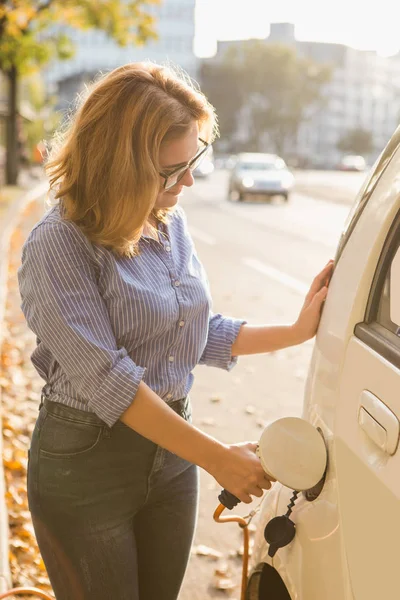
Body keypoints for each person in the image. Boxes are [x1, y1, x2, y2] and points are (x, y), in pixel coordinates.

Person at [18, 62, 334, 600]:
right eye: (172, 170)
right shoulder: (58, 244)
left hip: (169, 454)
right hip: (86, 463)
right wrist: (215, 456)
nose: (188, 182)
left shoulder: (167, 218)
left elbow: (189, 331)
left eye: (194, 161)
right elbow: (110, 382)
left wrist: (298, 330)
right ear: (119, 165)